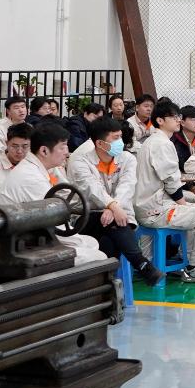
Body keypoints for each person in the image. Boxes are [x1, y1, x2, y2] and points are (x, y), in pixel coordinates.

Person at [67, 116, 164, 285]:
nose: (121, 141)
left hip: (118, 217)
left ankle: (108, 283)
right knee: (113, 224)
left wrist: (113, 207)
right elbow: (92, 188)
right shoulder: (81, 161)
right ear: (100, 143)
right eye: (116, 138)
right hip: (86, 217)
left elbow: (127, 186)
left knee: (110, 240)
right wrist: (113, 206)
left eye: (120, 136)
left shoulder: (127, 159)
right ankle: (141, 264)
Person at [133, 100, 195, 283]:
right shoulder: (162, 144)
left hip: (146, 203)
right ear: (160, 121)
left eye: (179, 116)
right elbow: (171, 182)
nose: (178, 120)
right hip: (155, 210)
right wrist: (183, 204)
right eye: (174, 117)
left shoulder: (153, 141)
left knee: (194, 203)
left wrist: (186, 202)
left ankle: (175, 258)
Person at [0, 121, 105, 265]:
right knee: (98, 256)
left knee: (91, 243)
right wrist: (78, 241)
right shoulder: (31, 178)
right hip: (21, 247)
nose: (67, 152)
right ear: (44, 151)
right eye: (62, 147)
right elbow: (53, 224)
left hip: (31, 237)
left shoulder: (36, 169)